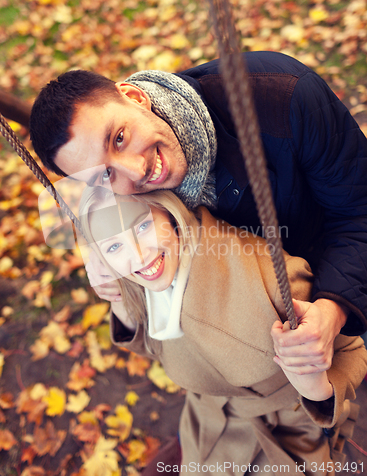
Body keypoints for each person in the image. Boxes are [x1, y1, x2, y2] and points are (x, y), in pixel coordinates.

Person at [29, 50, 367, 376]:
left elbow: (359, 212)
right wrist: (107, 264)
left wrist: (334, 308)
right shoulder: (116, 196)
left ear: (134, 97)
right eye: (104, 174)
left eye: (119, 138)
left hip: (342, 271)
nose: (136, 170)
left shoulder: (283, 95)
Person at [78, 186, 367, 475]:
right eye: (113, 247)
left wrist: (315, 389)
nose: (138, 255)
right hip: (204, 420)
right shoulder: (150, 283)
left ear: (168, 214)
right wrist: (119, 298)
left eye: (142, 226)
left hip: (288, 430)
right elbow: (156, 348)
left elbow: (350, 348)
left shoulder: (266, 278)